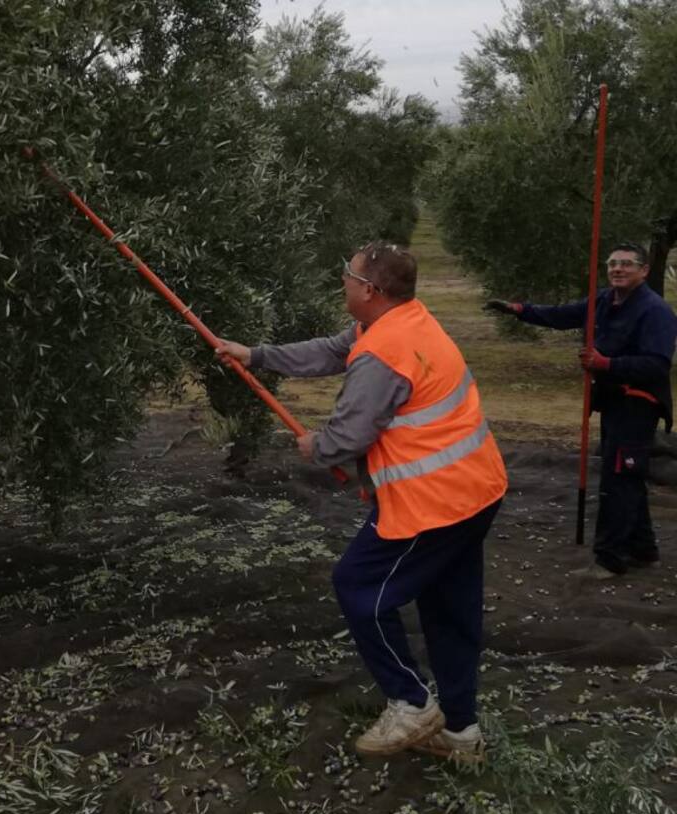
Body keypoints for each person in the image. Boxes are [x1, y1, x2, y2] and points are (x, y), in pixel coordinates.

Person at [217, 241, 508, 762]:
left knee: (358, 586)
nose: (343, 283)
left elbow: (349, 433)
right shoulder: (402, 321)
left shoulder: (383, 353)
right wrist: (256, 355)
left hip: (433, 503)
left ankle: (411, 701)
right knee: (448, 608)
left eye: (347, 276)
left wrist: (318, 446)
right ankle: (461, 734)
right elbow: (331, 350)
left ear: (370, 290)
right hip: (476, 490)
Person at [486, 241, 677, 579]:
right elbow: (563, 315)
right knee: (627, 474)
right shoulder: (604, 300)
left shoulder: (655, 310)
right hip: (614, 402)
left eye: (627, 264)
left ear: (644, 270)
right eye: (613, 263)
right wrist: (521, 310)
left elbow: (657, 365)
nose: (617, 269)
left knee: (619, 479)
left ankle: (609, 559)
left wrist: (607, 363)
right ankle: (644, 550)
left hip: (638, 405)